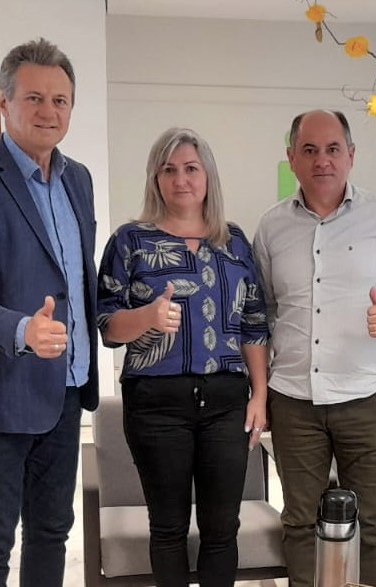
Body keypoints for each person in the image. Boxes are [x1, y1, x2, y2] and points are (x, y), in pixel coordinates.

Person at [252, 109, 376, 587]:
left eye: (333, 149)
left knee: (371, 521)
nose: (322, 160)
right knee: (299, 521)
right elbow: (262, 311)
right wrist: (261, 388)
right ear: (292, 157)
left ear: (351, 156)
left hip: (367, 397)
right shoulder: (271, 228)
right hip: (294, 400)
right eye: (309, 150)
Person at [0, 38, 99, 587]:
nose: (48, 112)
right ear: (3, 103)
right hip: (4, 394)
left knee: (52, 531)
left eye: (60, 100)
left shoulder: (78, 179)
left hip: (68, 388)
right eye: (34, 98)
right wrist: (20, 331)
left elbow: (78, 279)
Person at [96, 127, 269, 587]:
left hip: (227, 402)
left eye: (191, 168)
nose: (180, 179)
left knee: (222, 529)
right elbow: (107, 325)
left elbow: (254, 324)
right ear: (155, 178)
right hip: (156, 404)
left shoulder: (234, 243)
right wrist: (148, 317)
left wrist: (260, 395)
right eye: (168, 170)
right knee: (168, 528)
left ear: (208, 176)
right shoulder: (130, 241)